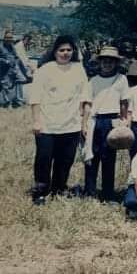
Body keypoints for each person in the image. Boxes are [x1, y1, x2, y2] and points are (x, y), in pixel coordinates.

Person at [29, 35, 90, 205]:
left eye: (69, 50)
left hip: (71, 125)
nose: (65, 53)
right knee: (44, 159)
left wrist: (83, 122)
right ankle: (40, 191)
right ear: (54, 51)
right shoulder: (45, 70)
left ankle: (58, 188)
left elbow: (85, 97)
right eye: (61, 50)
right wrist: (36, 121)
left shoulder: (79, 69)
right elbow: (35, 98)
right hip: (47, 125)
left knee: (65, 160)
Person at [82, 46, 129, 202]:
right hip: (95, 120)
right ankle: (90, 191)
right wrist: (84, 124)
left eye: (111, 62)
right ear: (100, 63)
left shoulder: (121, 79)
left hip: (111, 121)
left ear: (116, 63)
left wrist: (123, 122)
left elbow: (124, 103)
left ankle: (108, 193)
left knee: (108, 158)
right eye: (105, 61)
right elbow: (88, 104)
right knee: (91, 157)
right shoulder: (93, 80)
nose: (107, 64)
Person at [0, 30, 29, 108]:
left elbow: (16, 56)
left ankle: (16, 100)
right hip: (4, 71)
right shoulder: (1, 47)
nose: (9, 39)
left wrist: (23, 68)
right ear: (4, 38)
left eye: (11, 38)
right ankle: (7, 103)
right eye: (8, 37)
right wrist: (5, 61)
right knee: (6, 87)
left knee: (21, 80)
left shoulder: (12, 46)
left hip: (13, 69)